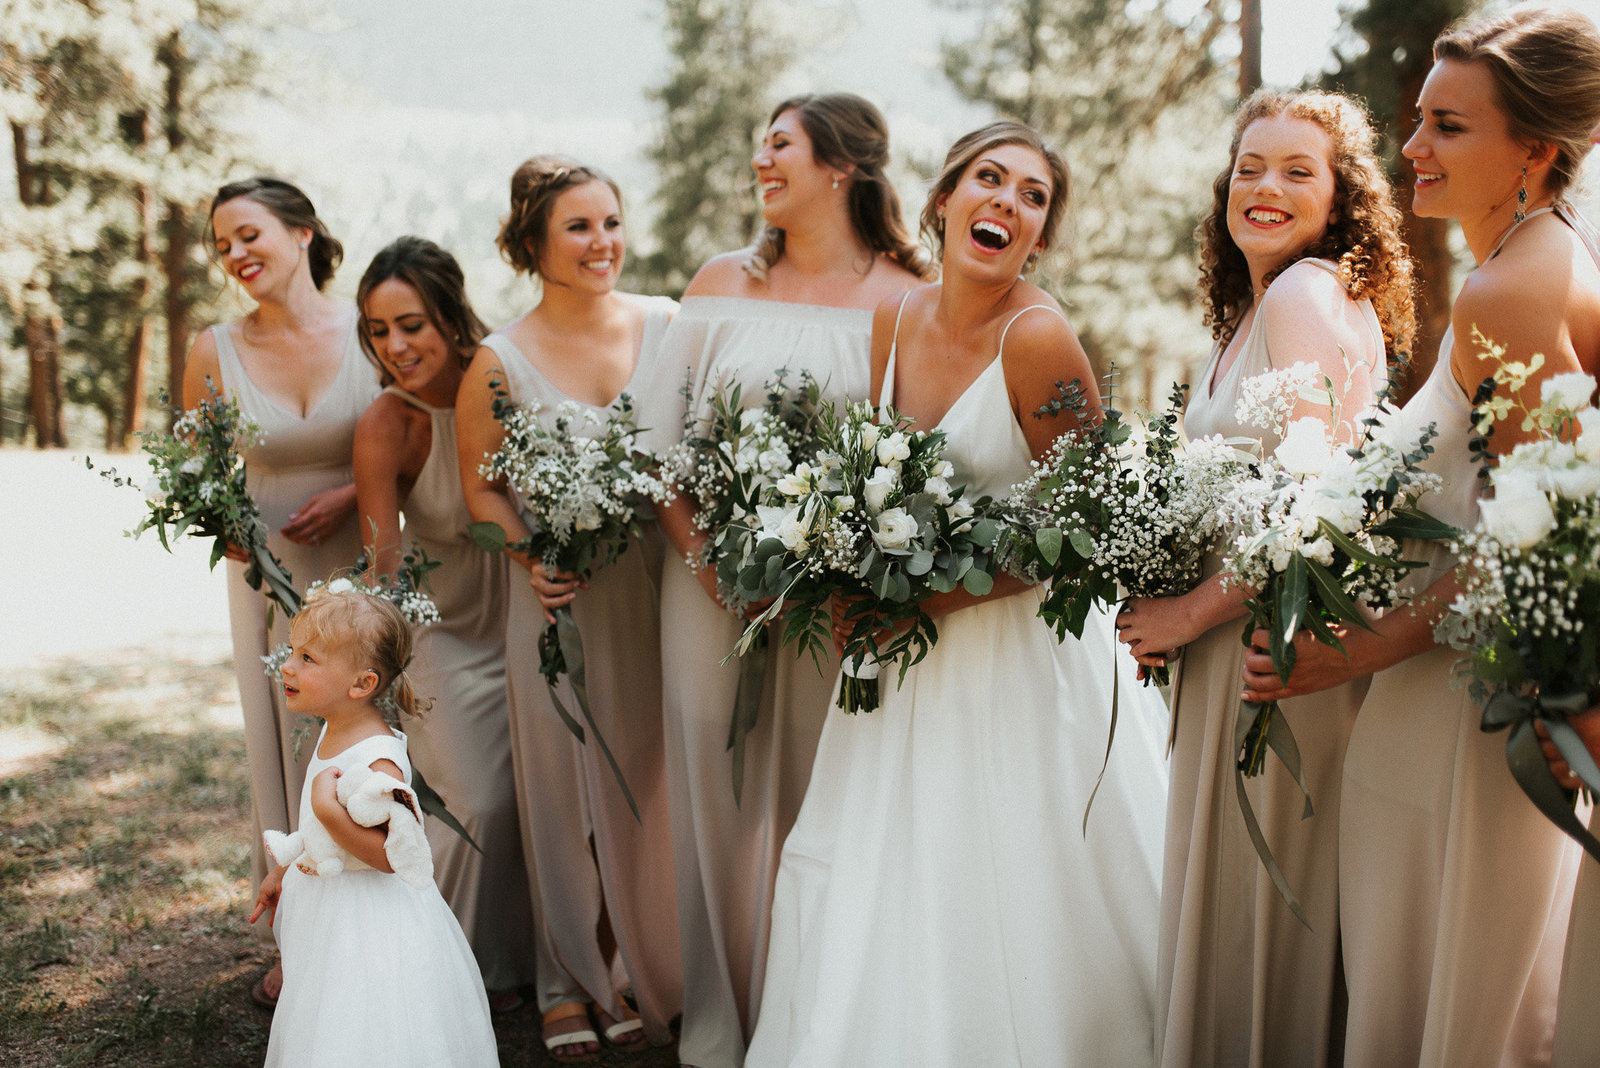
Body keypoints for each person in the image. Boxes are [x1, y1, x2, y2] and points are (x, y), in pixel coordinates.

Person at [746, 120, 1168, 1067]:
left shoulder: (1039, 338)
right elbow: (872, 469)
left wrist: (934, 600)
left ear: (1040, 238)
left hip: (1014, 654)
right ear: (942, 200)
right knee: (884, 859)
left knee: (1013, 870)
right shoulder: (894, 318)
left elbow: (1091, 526)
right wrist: (845, 556)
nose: (1007, 205)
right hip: (894, 650)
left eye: (1032, 197)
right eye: (990, 180)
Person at [1237, 8, 1600, 1063]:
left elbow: (1529, 541)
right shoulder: (1544, 264)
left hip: (1458, 730)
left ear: (1534, 149)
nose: (1410, 150)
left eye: (1447, 127)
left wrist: (1339, 654)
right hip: (1439, 708)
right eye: (1416, 122)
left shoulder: (1511, 291)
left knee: (1446, 1012)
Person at [1113, 89, 1414, 1067]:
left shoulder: (1304, 297)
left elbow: (1318, 496)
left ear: (1341, 198)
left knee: (1267, 900)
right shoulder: (1258, 307)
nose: (1265, 187)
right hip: (1234, 635)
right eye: (1250, 167)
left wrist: (1187, 611)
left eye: (1297, 170)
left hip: (1274, 645)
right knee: (1239, 892)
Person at [652, 92, 931, 1068]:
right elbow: (659, 439)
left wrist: (847, 558)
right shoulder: (721, 279)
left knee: (828, 796)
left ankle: (815, 1022)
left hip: (838, 597)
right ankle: (718, 1023)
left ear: (842, 167)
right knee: (711, 793)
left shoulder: (907, 292)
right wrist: (708, 564)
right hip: (705, 583)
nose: (761, 163)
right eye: (759, 147)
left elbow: (920, 447)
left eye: (780, 147)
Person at [457, 157, 681, 1060]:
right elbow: (483, 492)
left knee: (653, 777)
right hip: (556, 602)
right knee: (560, 788)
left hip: (658, 589)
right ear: (533, 246)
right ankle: (566, 980)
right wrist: (531, 557)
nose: (604, 244)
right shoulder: (497, 362)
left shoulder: (666, 325)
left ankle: (641, 962)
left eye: (612, 222)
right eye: (580, 228)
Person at [183, 176, 379, 1009]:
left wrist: (358, 496)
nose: (235, 256)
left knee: (372, 736)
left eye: (249, 234)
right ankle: (304, 934)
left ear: (303, 233)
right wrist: (217, 518)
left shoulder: (370, 325)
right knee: (287, 740)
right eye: (222, 244)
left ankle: (390, 916)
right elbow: (190, 471)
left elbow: (412, 433)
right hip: (264, 569)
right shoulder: (211, 348)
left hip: (366, 555)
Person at [351, 236, 538, 1011]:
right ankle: (442, 973)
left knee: (544, 793)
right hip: (440, 630)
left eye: (411, 325)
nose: (394, 347)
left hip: (528, 614)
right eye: (377, 331)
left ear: (452, 319)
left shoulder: (505, 382)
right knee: (480, 798)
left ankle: (535, 960)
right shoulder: (387, 425)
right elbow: (383, 566)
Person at [250, 583, 499, 1066]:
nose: (287, 665)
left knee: (365, 1017)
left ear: (361, 684)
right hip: (329, 904)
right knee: (324, 1011)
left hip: (370, 923)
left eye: (307, 658)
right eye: (292, 652)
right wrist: (283, 870)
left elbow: (391, 856)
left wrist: (327, 811)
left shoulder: (380, 760)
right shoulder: (334, 726)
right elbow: (323, 835)